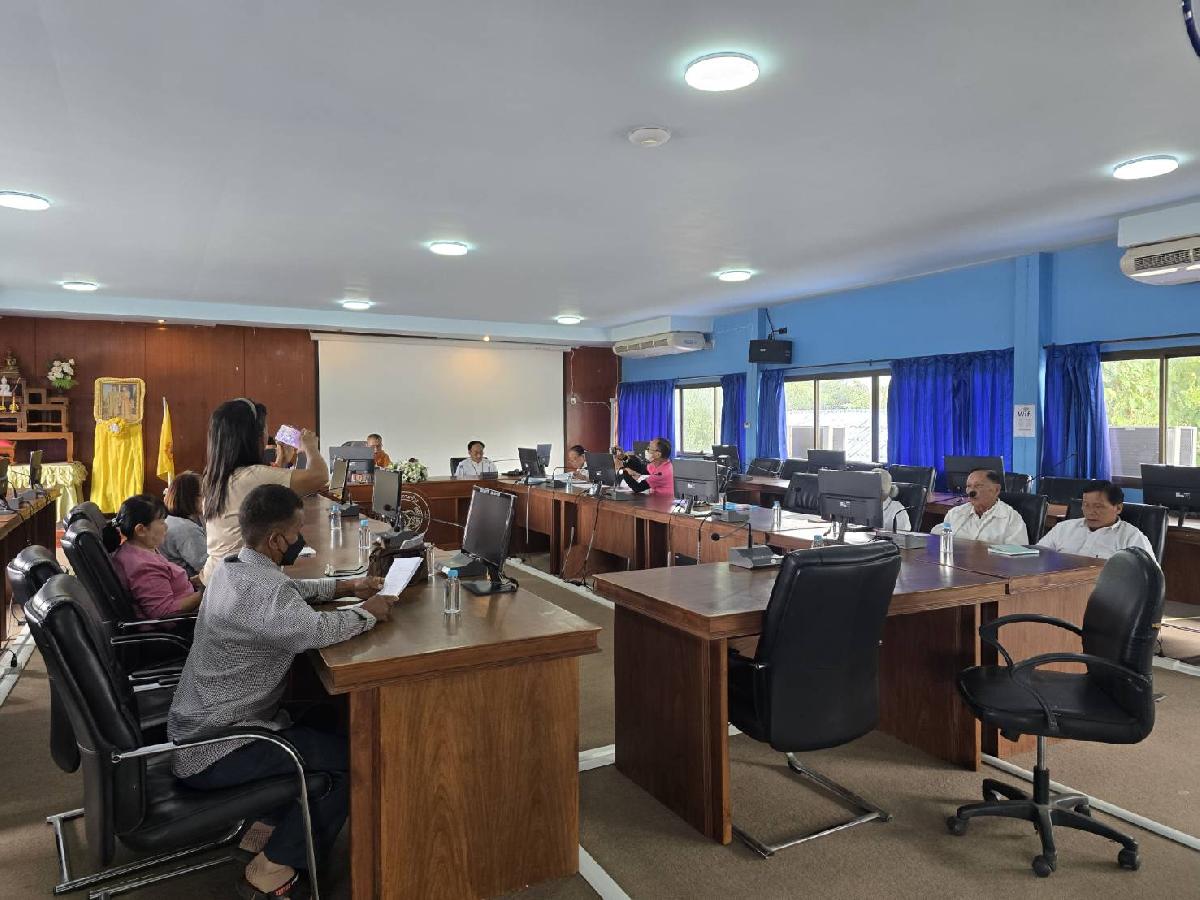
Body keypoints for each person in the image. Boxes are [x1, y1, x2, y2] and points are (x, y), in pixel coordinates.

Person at [168, 484, 391, 898]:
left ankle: (268, 823)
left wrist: (346, 587)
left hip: (200, 729)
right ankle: (272, 868)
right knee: (353, 761)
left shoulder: (234, 568)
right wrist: (368, 613)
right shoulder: (264, 591)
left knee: (328, 718)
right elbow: (314, 631)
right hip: (219, 748)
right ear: (275, 539)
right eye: (296, 532)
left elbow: (288, 592)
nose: (300, 538)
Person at [200, 398, 330, 584]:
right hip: (243, 584)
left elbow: (262, 495)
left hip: (217, 579)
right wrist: (310, 446)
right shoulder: (252, 476)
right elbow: (319, 476)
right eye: (265, 429)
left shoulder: (214, 478)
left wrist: (281, 462)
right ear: (253, 437)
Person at [111, 493, 203, 618]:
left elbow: (162, 584)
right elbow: (164, 613)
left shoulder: (137, 550)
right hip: (184, 623)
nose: (166, 526)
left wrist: (193, 582)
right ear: (141, 530)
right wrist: (204, 593)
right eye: (161, 522)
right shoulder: (143, 566)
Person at [1037, 480, 1154, 559]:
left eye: (1098, 506)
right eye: (1086, 505)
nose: (1090, 511)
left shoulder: (1131, 537)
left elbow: (1149, 576)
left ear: (1118, 508)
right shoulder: (1064, 528)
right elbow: (1036, 556)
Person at [942, 469, 1029, 544]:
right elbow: (938, 540)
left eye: (978, 486)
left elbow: (1018, 554)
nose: (971, 491)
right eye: (968, 486)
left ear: (996, 490)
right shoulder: (955, 513)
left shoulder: (1012, 519)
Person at [162, 471, 207, 577]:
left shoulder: (170, 519)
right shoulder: (186, 529)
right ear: (190, 498)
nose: (208, 499)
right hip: (189, 582)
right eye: (204, 494)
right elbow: (207, 567)